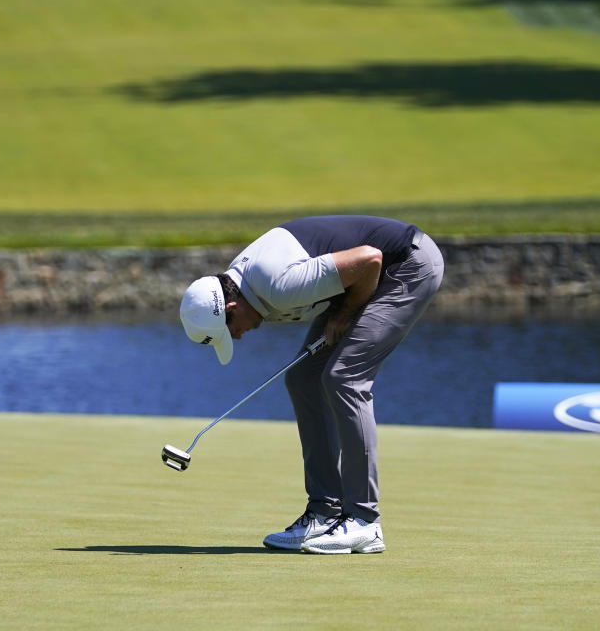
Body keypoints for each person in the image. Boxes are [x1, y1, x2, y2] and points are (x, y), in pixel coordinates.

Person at [179, 215, 443, 554]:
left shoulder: (277, 285)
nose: (238, 336)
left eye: (230, 331)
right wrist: (343, 308)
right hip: (362, 276)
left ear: (231, 307)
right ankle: (324, 510)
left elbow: (370, 259)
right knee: (303, 378)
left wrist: (346, 313)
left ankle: (364, 521)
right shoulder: (245, 284)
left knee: (344, 378)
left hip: (407, 264)